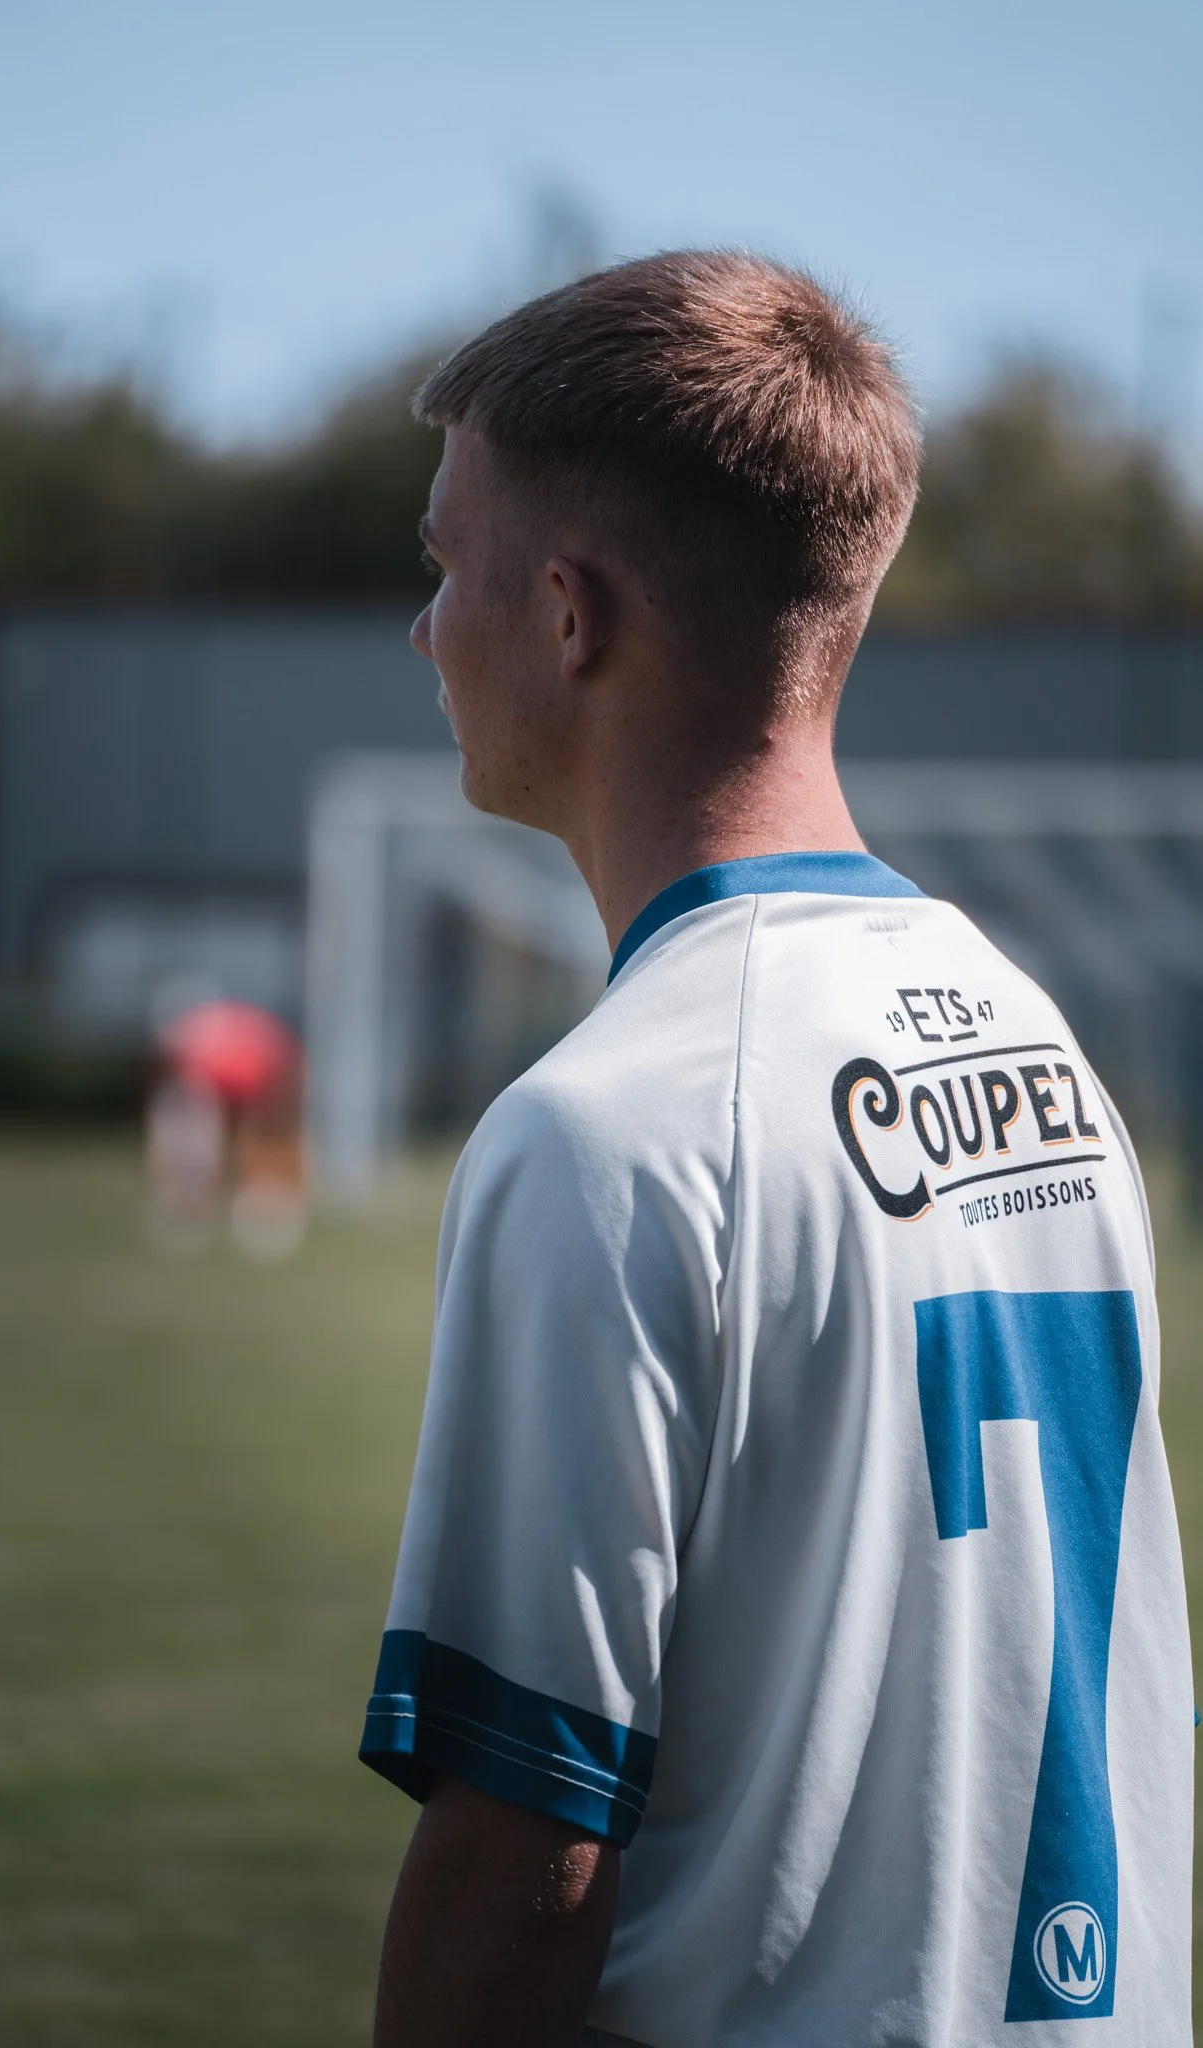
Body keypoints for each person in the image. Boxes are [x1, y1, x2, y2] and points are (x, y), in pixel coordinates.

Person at [357, 252, 1193, 2047]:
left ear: (567, 618)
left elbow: (519, 1857)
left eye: (445, 563)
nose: (424, 631)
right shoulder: (1039, 1043)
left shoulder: (606, 1132)